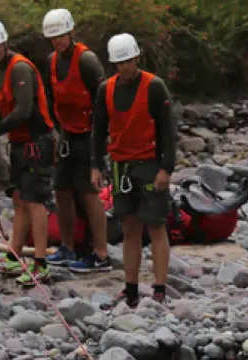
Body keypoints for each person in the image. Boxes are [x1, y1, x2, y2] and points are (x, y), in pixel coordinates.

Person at [91, 32, 177, 308]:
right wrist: (96, 165)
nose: (124, 67)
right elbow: (98, 131)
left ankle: (159, 288)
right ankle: (130, 289)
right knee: (129, 227)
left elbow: (168, 131)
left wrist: (166, 168)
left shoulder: (155, 87)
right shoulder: (106, 90)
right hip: (121, 166)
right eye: (119, 63)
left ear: (137, 58)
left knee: (156, 225)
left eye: (128, 61)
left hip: (149, 164)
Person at [0, 19, 57, 287]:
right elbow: (2, 107)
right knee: (20, 199)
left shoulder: (19, 68)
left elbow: (23, 112)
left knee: (35, 201)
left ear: (5, 42)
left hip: (37, 142)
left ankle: (41, 263)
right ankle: (14, 256)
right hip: (20, 143)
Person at [40, 8, 112, 273]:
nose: (57, 41)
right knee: (61, 190)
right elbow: (51, 98)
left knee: (89, 193)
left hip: (89, 135)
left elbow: (104, 100)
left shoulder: (87, 61)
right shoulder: (52, 61)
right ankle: (67, 247)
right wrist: (54, 131)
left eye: (61, 36)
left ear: (70, 32)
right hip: (67, 134)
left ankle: (101, 254)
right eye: (53, 38)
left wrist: (100, 146)